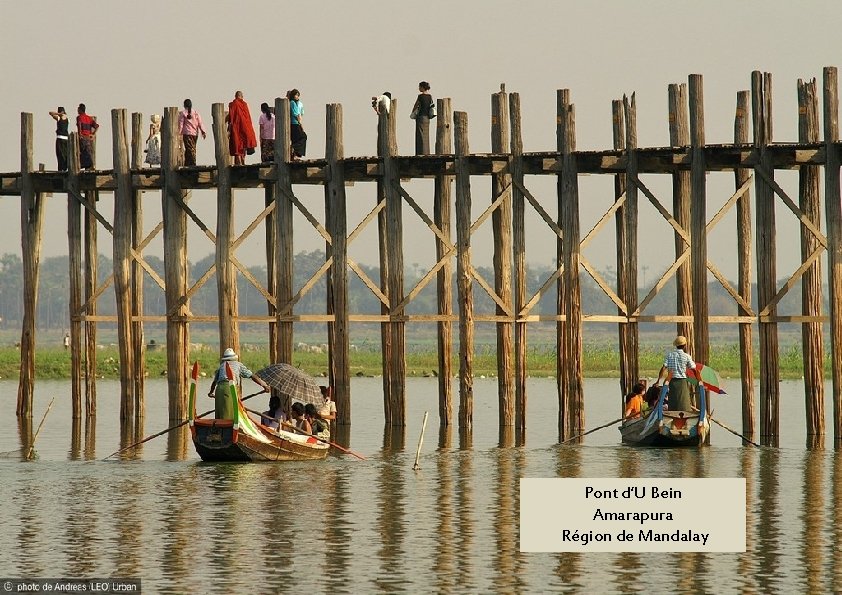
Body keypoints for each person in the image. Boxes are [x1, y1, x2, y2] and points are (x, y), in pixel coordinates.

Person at [207, 347, 269, 419]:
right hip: (229, 388)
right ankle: (229, 428)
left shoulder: (221, 366)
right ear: (234, 358)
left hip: (219, 389)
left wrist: (211, 393)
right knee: (229, 414)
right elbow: (252, 376)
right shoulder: (238, 365)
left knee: (220, 413)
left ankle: (219, 428)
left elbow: (214, 382)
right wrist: (264, 385)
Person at [657, 335, 697, 412]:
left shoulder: (670, 355)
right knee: (683, 400)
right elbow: (693, 368)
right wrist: (698, 380)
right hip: (682, 381)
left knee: (673, 399)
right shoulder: (686, 356)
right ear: (684, 345)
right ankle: (684, 412)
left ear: (676, 345)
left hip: (672, 381)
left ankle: (672, 411)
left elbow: (663, 367)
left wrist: (658, 380)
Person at [226, 91, 257, 165]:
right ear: (242, 96)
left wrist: (229, 128)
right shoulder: (244, 104)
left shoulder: (233, 104)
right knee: (243, 144)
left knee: (237, 144)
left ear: (235, 96)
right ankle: (243, 160)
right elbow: (248, 117)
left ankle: (239, 161)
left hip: (236, 127)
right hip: (246, 127)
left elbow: (232, 116)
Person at [178, 99, 206, 166]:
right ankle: (188, 163)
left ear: (184, 105)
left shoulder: (183, 113)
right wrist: (203, 131)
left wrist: (179, 133)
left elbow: (181, 125)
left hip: (187, 134)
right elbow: (200, 123)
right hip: (195, 134)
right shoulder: (196, 113)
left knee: (189, 149)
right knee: (192, 148)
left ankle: (192, 163)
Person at [411, 81, 434, 155]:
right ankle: (427, 152)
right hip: (427, 118)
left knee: (420, 135)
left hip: (421, 116)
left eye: (419, 87)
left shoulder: (420, 96)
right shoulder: (430, 96)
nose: (419, 88)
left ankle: (420, 152)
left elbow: (416, 105)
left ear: (422, 87)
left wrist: (412, 113)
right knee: (426, 136)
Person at [76, 103, 99, 169]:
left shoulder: (79, 117)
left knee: (82, 152)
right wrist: (93, 134)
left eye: (78, 109)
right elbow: (96, 126)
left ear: (80, 110)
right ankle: (89, 166)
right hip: (88, 138)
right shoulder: (89, 118)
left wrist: (80, 135)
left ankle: (87, 165)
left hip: (82, 137)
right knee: (88, 152)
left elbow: (79, 126)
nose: (77, 111)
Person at [287, 89, 306, 159]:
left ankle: (295, 154)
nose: (297, 97)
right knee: (303, 137)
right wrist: (300, 123)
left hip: (296, 123)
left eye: (298, 95)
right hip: (294, 123)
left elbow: (301, 113)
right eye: (296, 95)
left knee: (296, 139)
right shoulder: (292, 102)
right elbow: (295, 114)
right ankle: (293, 149)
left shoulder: (297, 103)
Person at [48, 107, 69, 171]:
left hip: (60, 138)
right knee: (65, 154)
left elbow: (50, 113)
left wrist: (58, 114)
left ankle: (60, 169)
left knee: (60, 154)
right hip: (66, 138)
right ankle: (65, 168)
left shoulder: (59, 118)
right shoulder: (67, 119)